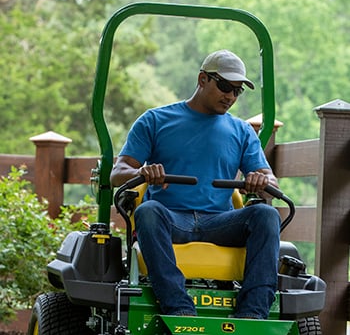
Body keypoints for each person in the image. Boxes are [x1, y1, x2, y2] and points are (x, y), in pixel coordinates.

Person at [110, 49, 281, 319]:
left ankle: (253, 315)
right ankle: (179, 309)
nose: (231, 97)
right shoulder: (155, 120)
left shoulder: (242, 131)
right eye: (225, 86)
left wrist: (260, 179)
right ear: (202, 79)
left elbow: (271, 180)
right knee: (147, 211)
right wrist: (143, 172)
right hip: (171, 220)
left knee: (266, 214)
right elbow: (118, 172)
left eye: (238, 91)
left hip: (221, 222)